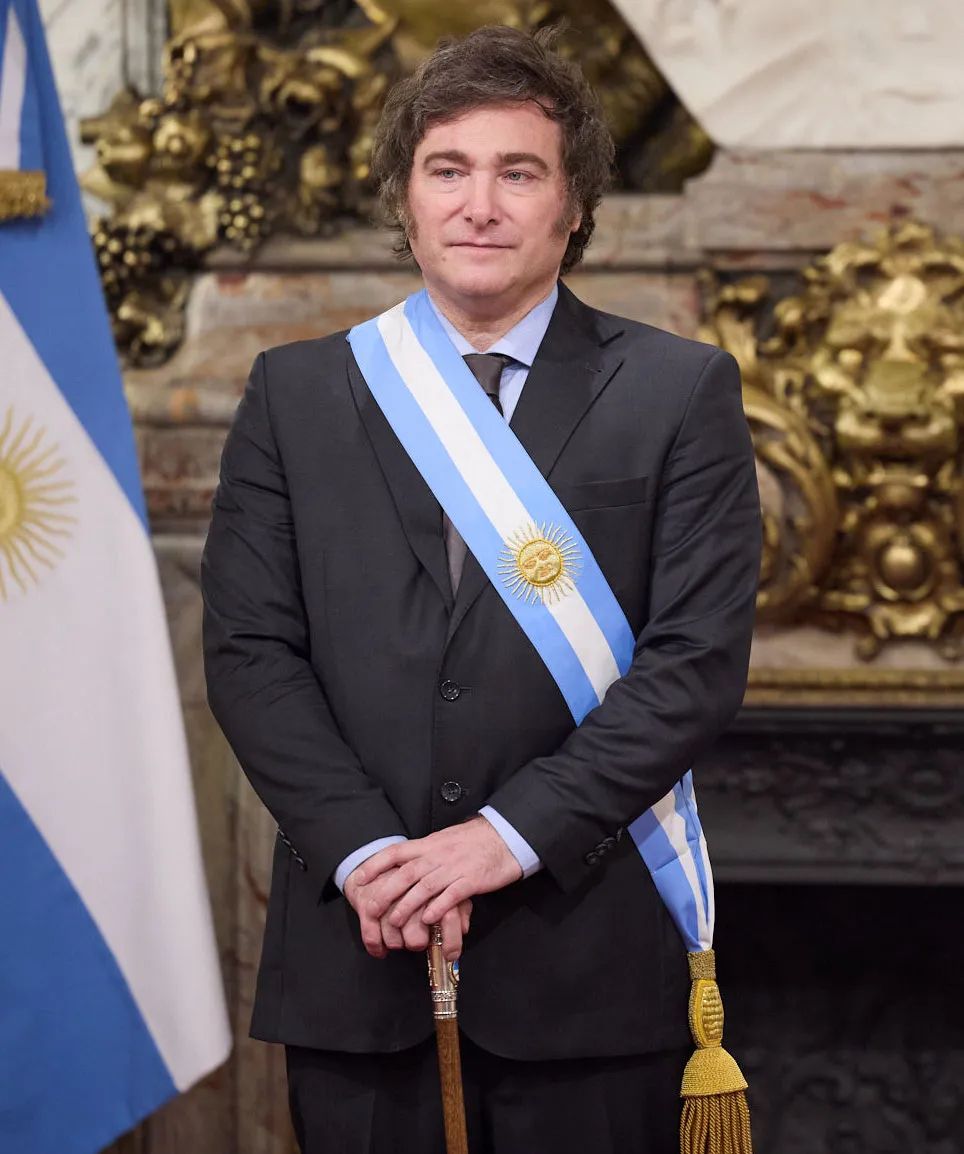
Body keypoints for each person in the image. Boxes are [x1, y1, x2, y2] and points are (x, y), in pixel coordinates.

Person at [201, 23, 761, 1154]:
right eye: (447, 170)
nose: (480, 205)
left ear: (573, 206)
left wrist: (505, 837)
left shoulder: (677, 388)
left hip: (583, 954)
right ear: (404, 200)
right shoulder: (294, 394)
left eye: (519, 173)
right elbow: (251, 655)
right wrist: (371, 854)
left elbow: (693, 666)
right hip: (364, 949)